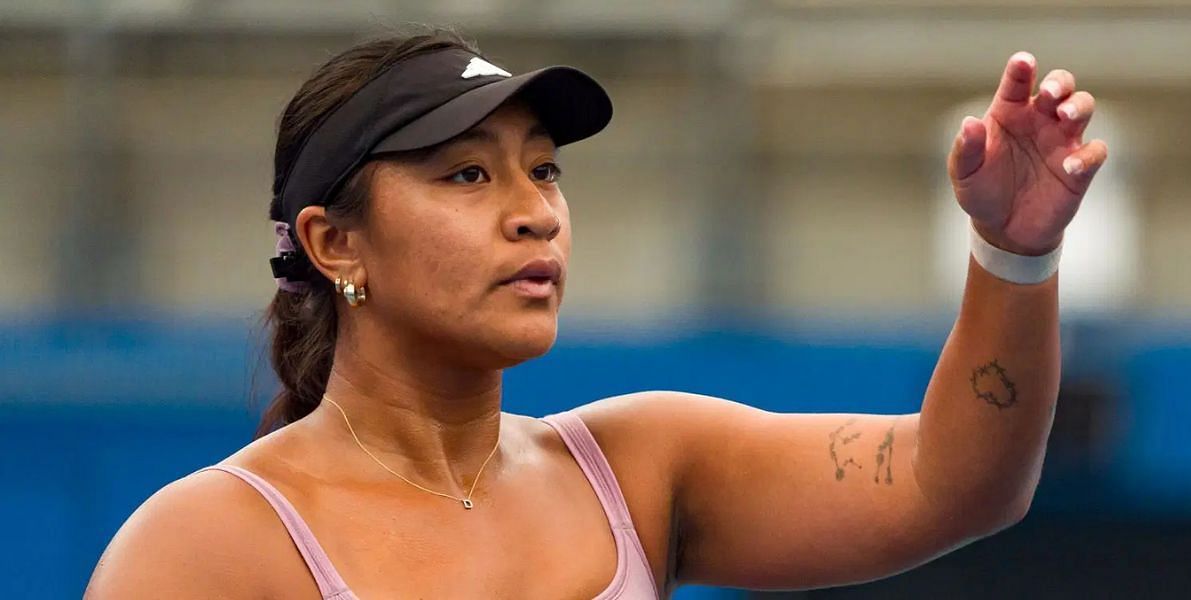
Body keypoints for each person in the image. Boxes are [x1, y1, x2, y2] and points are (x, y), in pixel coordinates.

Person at [85, 29, 1107, 599]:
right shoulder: (209, 545)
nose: (534, 214)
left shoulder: (644, 464)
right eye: (469, 175)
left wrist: (1014, 255)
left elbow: (957, 481)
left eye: (545, 171)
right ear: (333, 242)